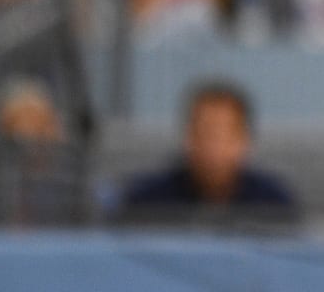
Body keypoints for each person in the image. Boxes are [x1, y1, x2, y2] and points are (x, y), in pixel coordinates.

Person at [118, 81, 297, 221]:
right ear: (188, 137)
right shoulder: (146, 203)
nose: (213, 145)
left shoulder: (273, 203)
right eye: (204, 133)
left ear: (244, 140)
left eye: (223, 135)